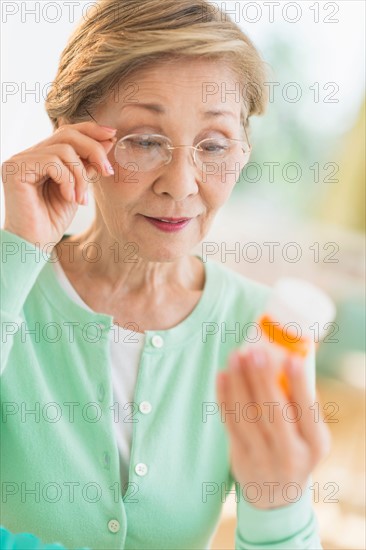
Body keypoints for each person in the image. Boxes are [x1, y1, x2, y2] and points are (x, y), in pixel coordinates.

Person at [0, 0, 330, 548]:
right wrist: (16, 252)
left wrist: (280, 503)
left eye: (214, 145)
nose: (180, 184)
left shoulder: (262, 327)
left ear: (243, 153)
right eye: (145, 141)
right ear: (68, 135)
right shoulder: (13, 287)